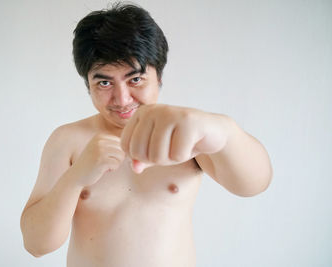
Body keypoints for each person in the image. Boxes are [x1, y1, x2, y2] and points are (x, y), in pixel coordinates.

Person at [20, 2, 273, 266]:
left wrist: (224, 131)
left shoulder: (186, 131)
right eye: (104, 82)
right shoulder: (67, 140)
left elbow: (254, 185)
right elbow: (37, 245)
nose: (122, 98)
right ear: (88, 85)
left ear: (159, 77)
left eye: (135, 79)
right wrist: (75, 178)